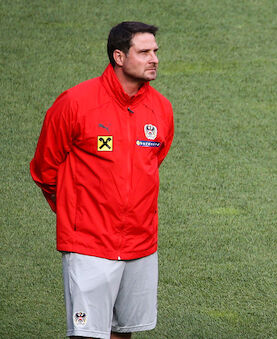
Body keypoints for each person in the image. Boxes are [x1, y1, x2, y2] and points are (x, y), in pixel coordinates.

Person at [30, 21, 174, 339]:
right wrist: (76, 212)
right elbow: (44, 169)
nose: (155, 59)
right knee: (88, 334)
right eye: (145, 52)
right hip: (90, 244)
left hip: (141, 244)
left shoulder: (161, 109)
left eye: (156, 52)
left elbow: (152, 163)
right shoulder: (75, 103)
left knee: (122, 332)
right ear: (119, 57)